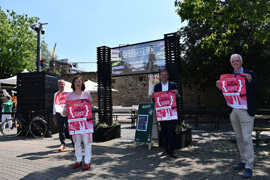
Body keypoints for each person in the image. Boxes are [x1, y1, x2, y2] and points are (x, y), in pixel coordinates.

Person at [216, 54, 256, 178]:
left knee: (246, 138)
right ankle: (243, 161)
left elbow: (257, 88)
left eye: (237, 60)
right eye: (233, 61)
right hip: (233, 111)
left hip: (246, 111)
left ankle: (249, 165)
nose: (235, 62)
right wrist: (219, 87)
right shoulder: (228, 77)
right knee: (239, 138)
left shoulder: (250, 73)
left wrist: (250, 80)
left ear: (241, 62)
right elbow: (227, 92)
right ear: (231, 63)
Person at [65, 76, 93, 170]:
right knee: (77, 143)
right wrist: (64, 111)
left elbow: (90, 106)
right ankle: (78, 160)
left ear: (82, 83)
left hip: (85, 124)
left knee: (87, 143)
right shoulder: (69, 96)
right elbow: (66, 109)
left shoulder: (87, 94)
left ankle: (87, 162)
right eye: (76, 81)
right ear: (73, 84)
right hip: (74, 124)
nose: (78, 83)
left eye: (80, 81)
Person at [153, 69, 178, 158]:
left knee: (171, 131)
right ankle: (166, 150)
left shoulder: (173, 85)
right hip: (162, 114)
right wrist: (153, 97)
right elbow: (155, 100)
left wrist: (177, 93)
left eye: (165, 75)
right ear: (160, 77)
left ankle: (172, 151)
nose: (164, 77)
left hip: (171, 113)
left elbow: (177, 97)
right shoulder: (156, 87)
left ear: (168, 76)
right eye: (162, 75)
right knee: (164, 132)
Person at [53, 79, 74, 151]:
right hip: (59, 114)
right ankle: (63, 145)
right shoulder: (56, 94)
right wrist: (54, 115)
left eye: (62, 84)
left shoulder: (69, 93)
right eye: (60, 84)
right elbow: (54, 105)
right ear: (58, 85)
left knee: (70, 129)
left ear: (64, 85)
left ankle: (74, 145)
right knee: (60, 130)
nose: (61, 85)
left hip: (68, 113)